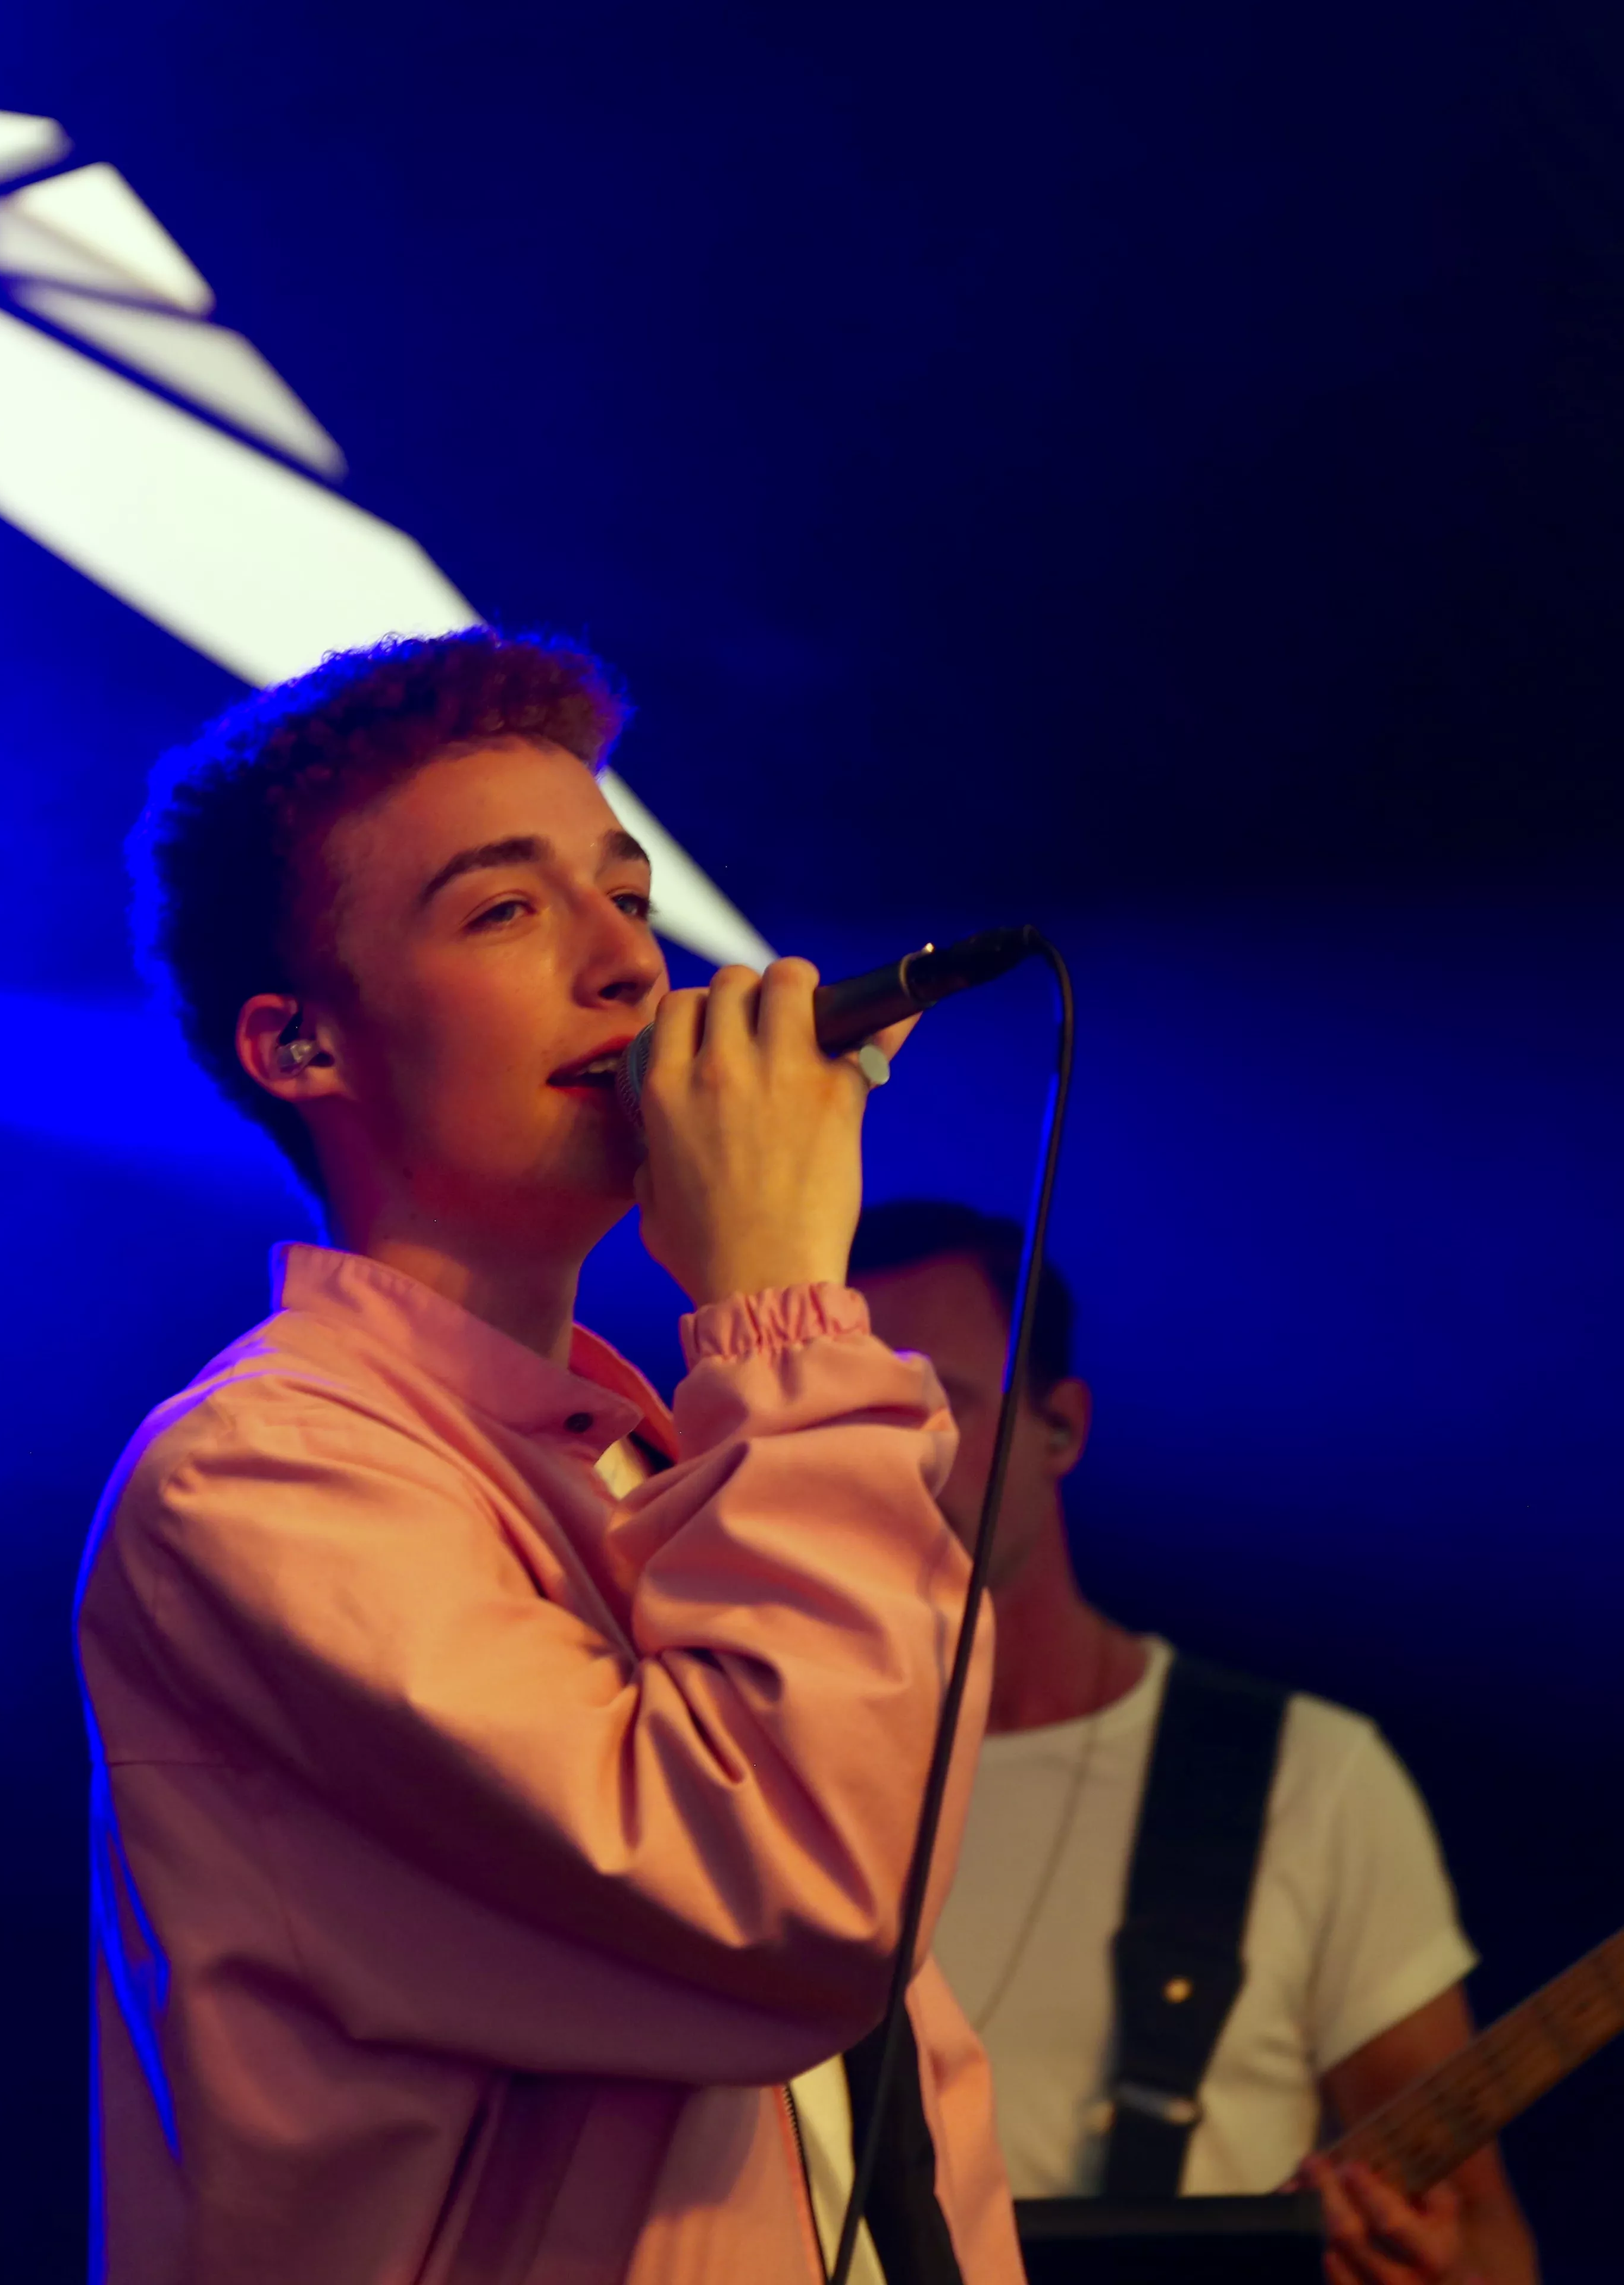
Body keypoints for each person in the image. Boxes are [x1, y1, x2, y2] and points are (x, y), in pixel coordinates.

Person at [75, 630, 1021, 2283]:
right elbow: (809, 1902)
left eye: (629, 896)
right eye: (507, 911)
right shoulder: (259, 1478)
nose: (630, 967)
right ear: (302, 1048)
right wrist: (779, 1307)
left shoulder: (662, 1452)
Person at [849, 1202, 1539, 2285]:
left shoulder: (1305, 1779)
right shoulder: (734, 1772)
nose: (882, 1460)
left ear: (1061, 1426)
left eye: (934, 1403)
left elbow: (1488, 2242)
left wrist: (1425, 2264)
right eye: (839, 1417)